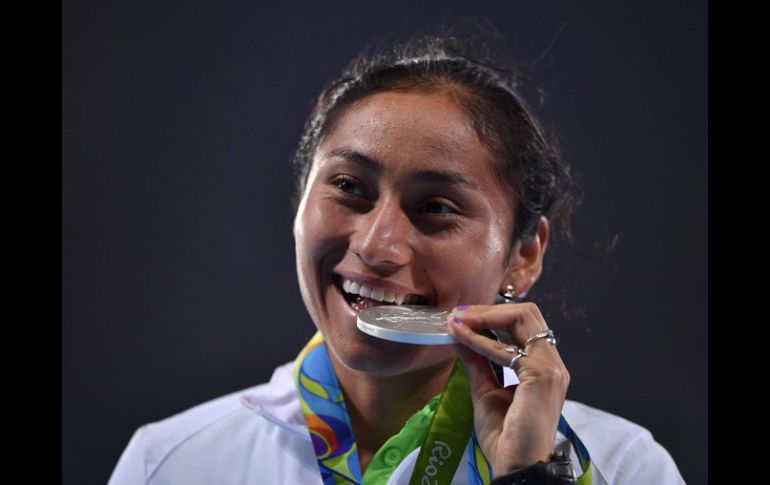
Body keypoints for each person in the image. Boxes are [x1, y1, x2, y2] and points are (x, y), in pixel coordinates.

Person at [108, 35, 685, 485]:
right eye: (349, 188)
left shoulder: (621, 467)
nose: (376, 245)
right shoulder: (170, 462)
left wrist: (531, 477)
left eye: (436, 206)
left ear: (523, 254)